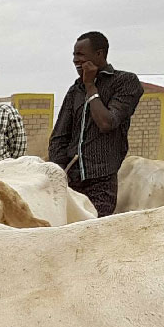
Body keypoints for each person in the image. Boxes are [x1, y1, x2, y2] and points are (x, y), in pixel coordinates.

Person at [49, 31, 142, 217]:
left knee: (93, 232)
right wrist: (58, 177)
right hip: (71, 182)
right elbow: (59, 137)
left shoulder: (125, 82)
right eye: (74, 55)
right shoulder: (75, 90)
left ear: (99, 54)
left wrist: (91, 86)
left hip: (101, 182)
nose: (76, 60)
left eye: (81, 55)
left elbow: (107, 122)